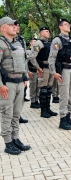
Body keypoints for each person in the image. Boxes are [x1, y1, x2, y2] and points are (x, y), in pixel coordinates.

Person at [0, 16, 31, 155]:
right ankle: (7, 143)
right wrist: (0, 85)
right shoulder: (1, 44)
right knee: (7, 113)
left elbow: (23, 62)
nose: (15, 26)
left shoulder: (18, 43)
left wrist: (25, 77)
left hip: (19, 83)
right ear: (3, 28)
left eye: (15, 25)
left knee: (16, 114)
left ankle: (15, 138)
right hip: (7, 85)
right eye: (11, 24)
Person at [48, 18, 71, 130]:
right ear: (60, 27)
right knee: (64, 96)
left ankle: (68, 117)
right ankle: (62, 119)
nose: (68, 26)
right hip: (64, 71)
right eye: (66, 24)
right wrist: (53, 72)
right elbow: (51, 57)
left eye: (68, 24)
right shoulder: (57, 40)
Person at [28, 27, 58, 118]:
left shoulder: (50, 43)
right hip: (43, 68)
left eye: (48, 31)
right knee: (43, 90)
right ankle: (43, 110)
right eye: (46, 31)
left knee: (49, 89)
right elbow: (32, 57)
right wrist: (38, 68)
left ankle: (48, 108)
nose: (48, 33)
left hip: (50, 68)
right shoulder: (39, 43)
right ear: (41, 33)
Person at [14, 21, 29, 123]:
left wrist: (26, 73)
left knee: (22, 94)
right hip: (11, 71)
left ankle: (18, 115)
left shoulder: (21, 39)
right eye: (15, 26)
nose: (17, 27)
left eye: (18, 25)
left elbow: (24, 57)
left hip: (22, 69)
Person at [27, 38, 41, 109]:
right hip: (32, 71)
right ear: (30, 43)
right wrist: (28, 71)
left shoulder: (37, 51)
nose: (36, 43)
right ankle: (32, 101)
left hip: (38, 71)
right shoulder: (28, 52)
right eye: (34, 42)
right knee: (33, 86)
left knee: (38, 86)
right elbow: (25, 62)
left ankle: (36, 100)